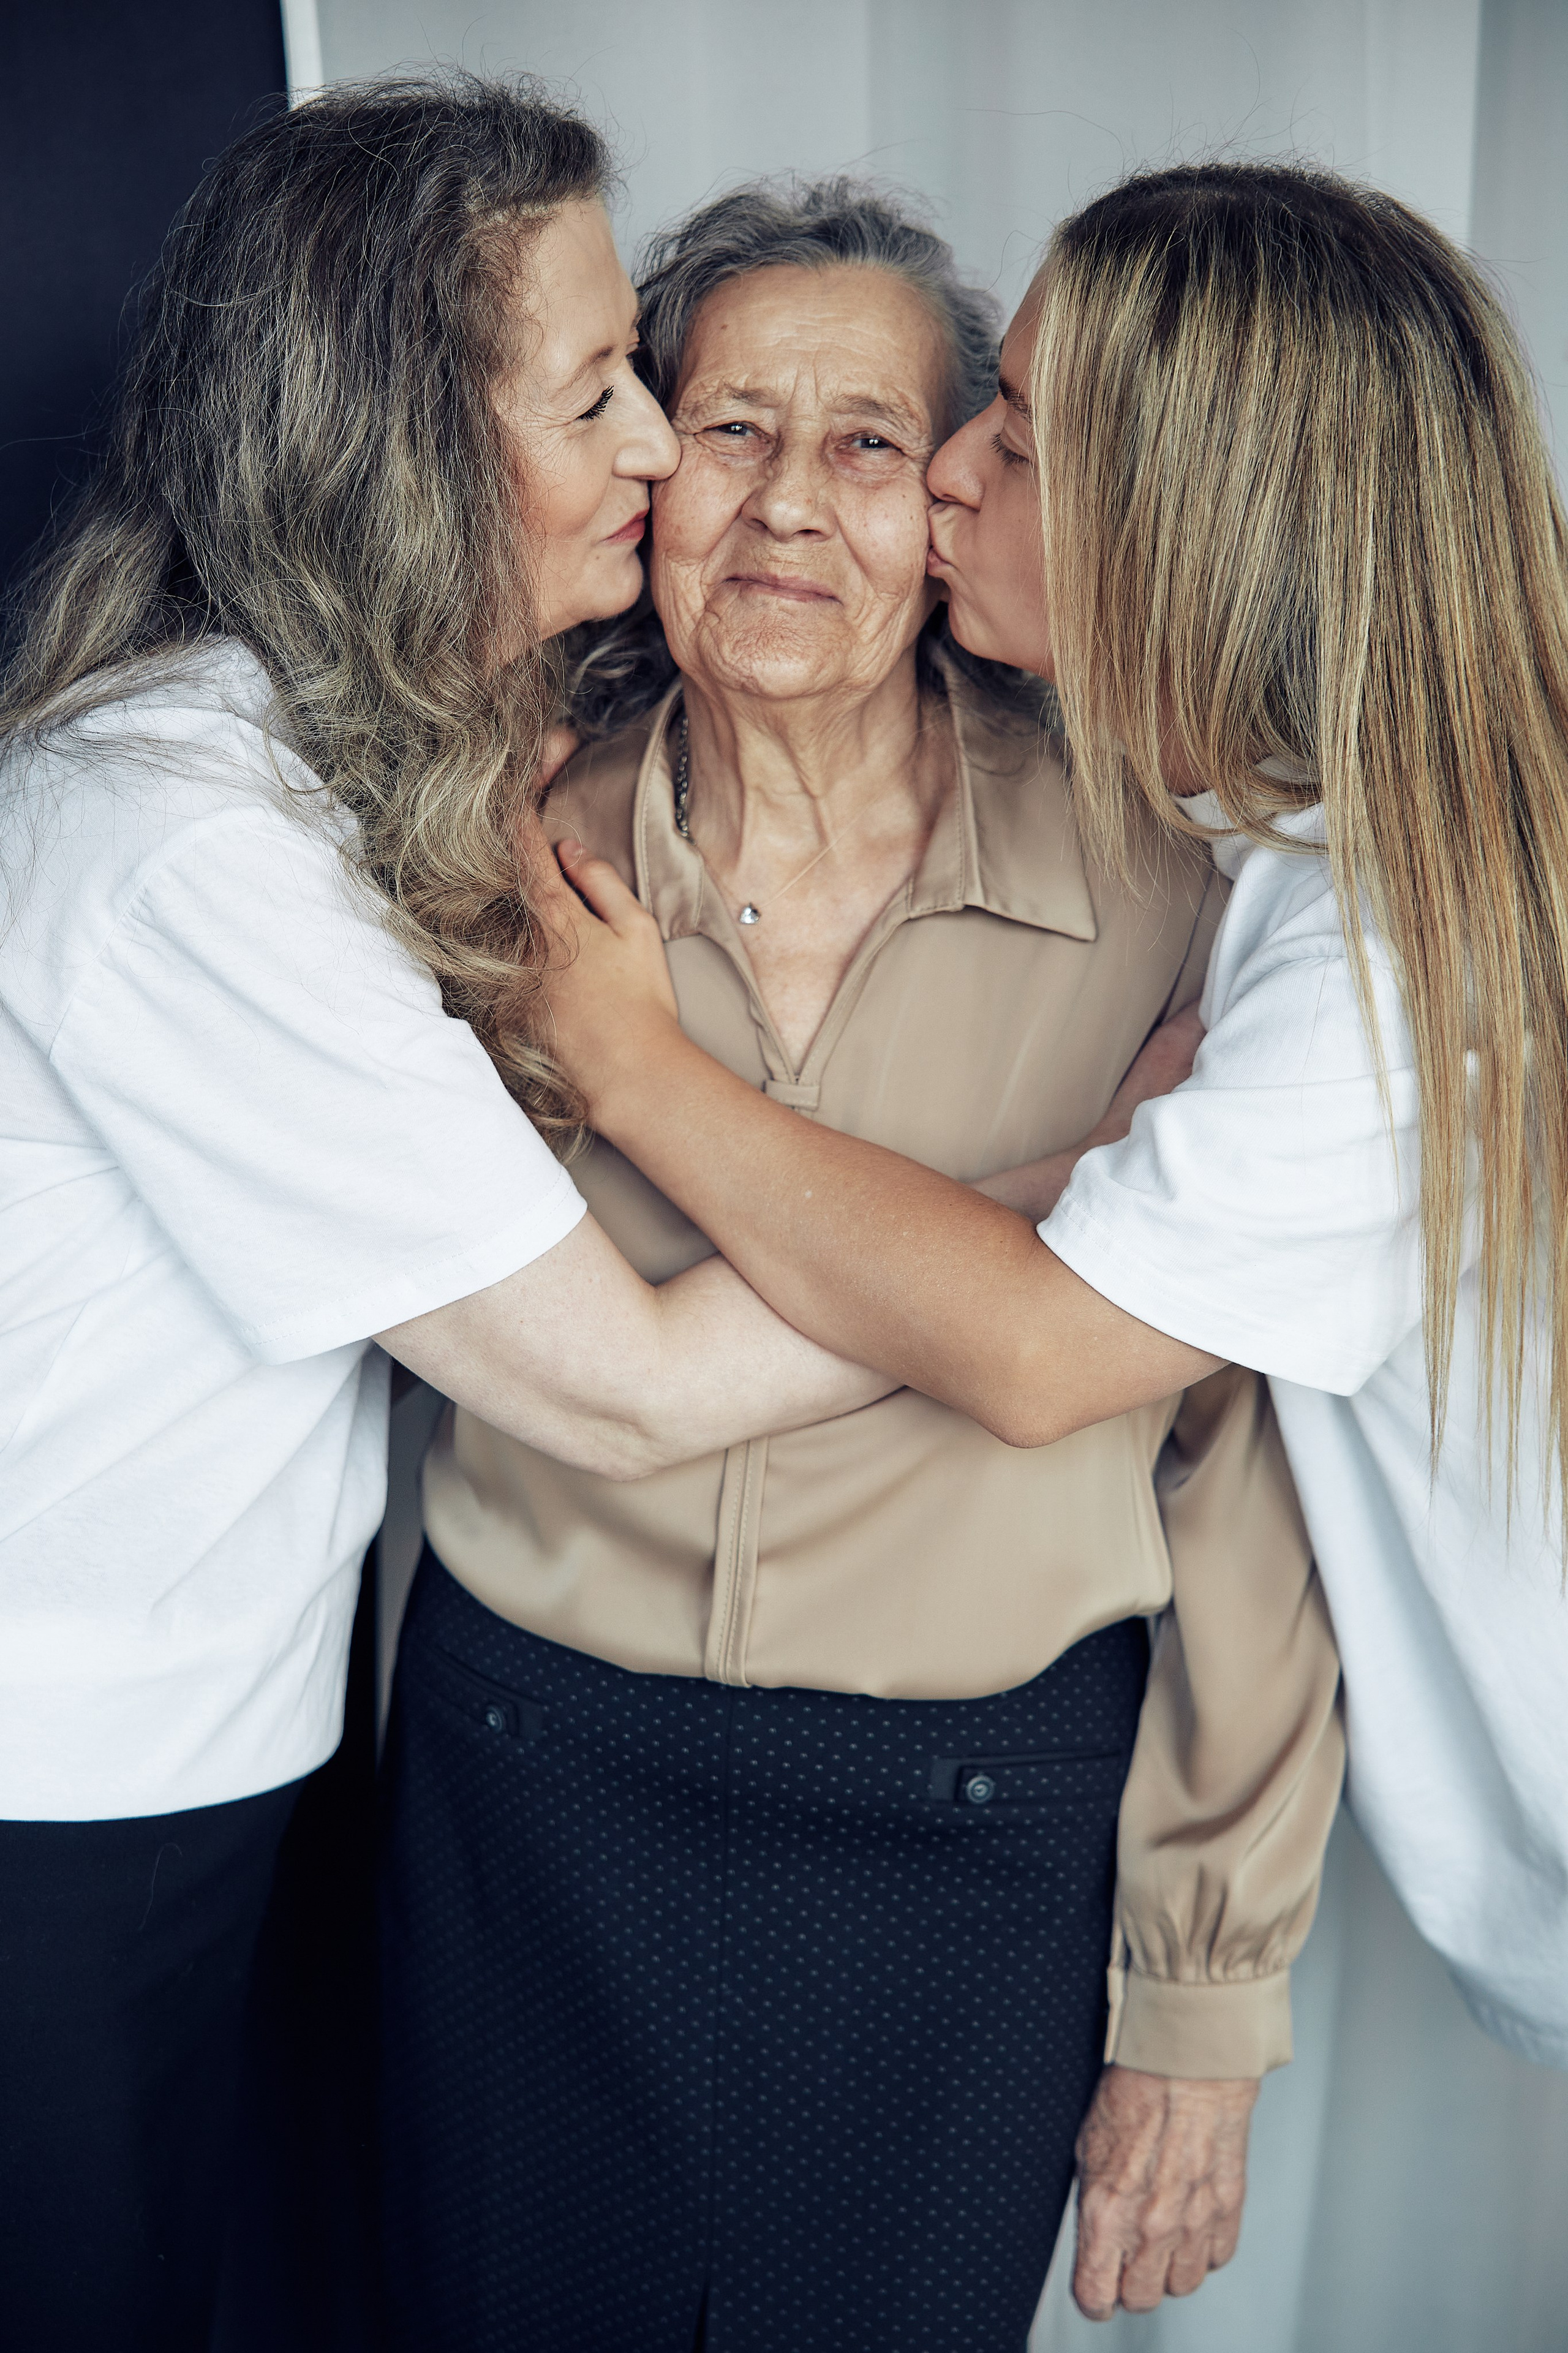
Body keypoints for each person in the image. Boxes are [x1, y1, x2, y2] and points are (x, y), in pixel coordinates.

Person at [544, 158, 1568, 2315]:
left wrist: (632, 1073)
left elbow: (1070, 1366)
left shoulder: (1351, 966)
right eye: (730, 429)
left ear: (1197, 510)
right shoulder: (1304, 867)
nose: (923, 496)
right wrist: (1081, 1177)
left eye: (981, 440)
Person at [379, 179, 1343, 2353]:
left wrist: (1204, 1984)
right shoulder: (491, 852)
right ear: (645, 472)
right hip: (528, 1792)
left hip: (982, 1830)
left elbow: (1246, 1469)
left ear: (962, 513)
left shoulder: (1168, 891)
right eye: (728, 431)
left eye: (869, 446)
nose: (787, 507)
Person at [0, 78, 920, 2351]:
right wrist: (1102, 1223)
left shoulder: (297, 768)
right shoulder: (182, 837)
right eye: (596, 389)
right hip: (67, 1824)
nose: (655, 449)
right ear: (403, 444)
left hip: (236, 1758)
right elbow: (626, 1390)